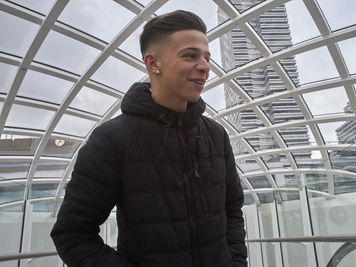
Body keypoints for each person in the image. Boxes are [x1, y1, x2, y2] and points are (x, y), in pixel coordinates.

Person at [51, 10, 247, 267]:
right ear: (153, 63)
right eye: (190, 55)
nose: (205, 66)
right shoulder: (113, 140)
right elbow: (73, 234)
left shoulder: (215, 135)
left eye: (207, 57)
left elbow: (232, 210)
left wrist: (236, 263)